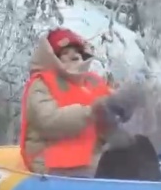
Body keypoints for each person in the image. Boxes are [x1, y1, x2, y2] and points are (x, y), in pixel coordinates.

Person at [20, 28, 146, 177]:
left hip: (89, 159)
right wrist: (91, 112)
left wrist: (124, 106)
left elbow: (108, 113)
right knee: (114, 171)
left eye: (76, 51)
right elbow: (47, 121)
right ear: (52, 58)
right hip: (51, 162)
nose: (73, 55)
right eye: (64, 53)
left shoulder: (93, 82)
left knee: (132, 159)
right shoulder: (42, 83)